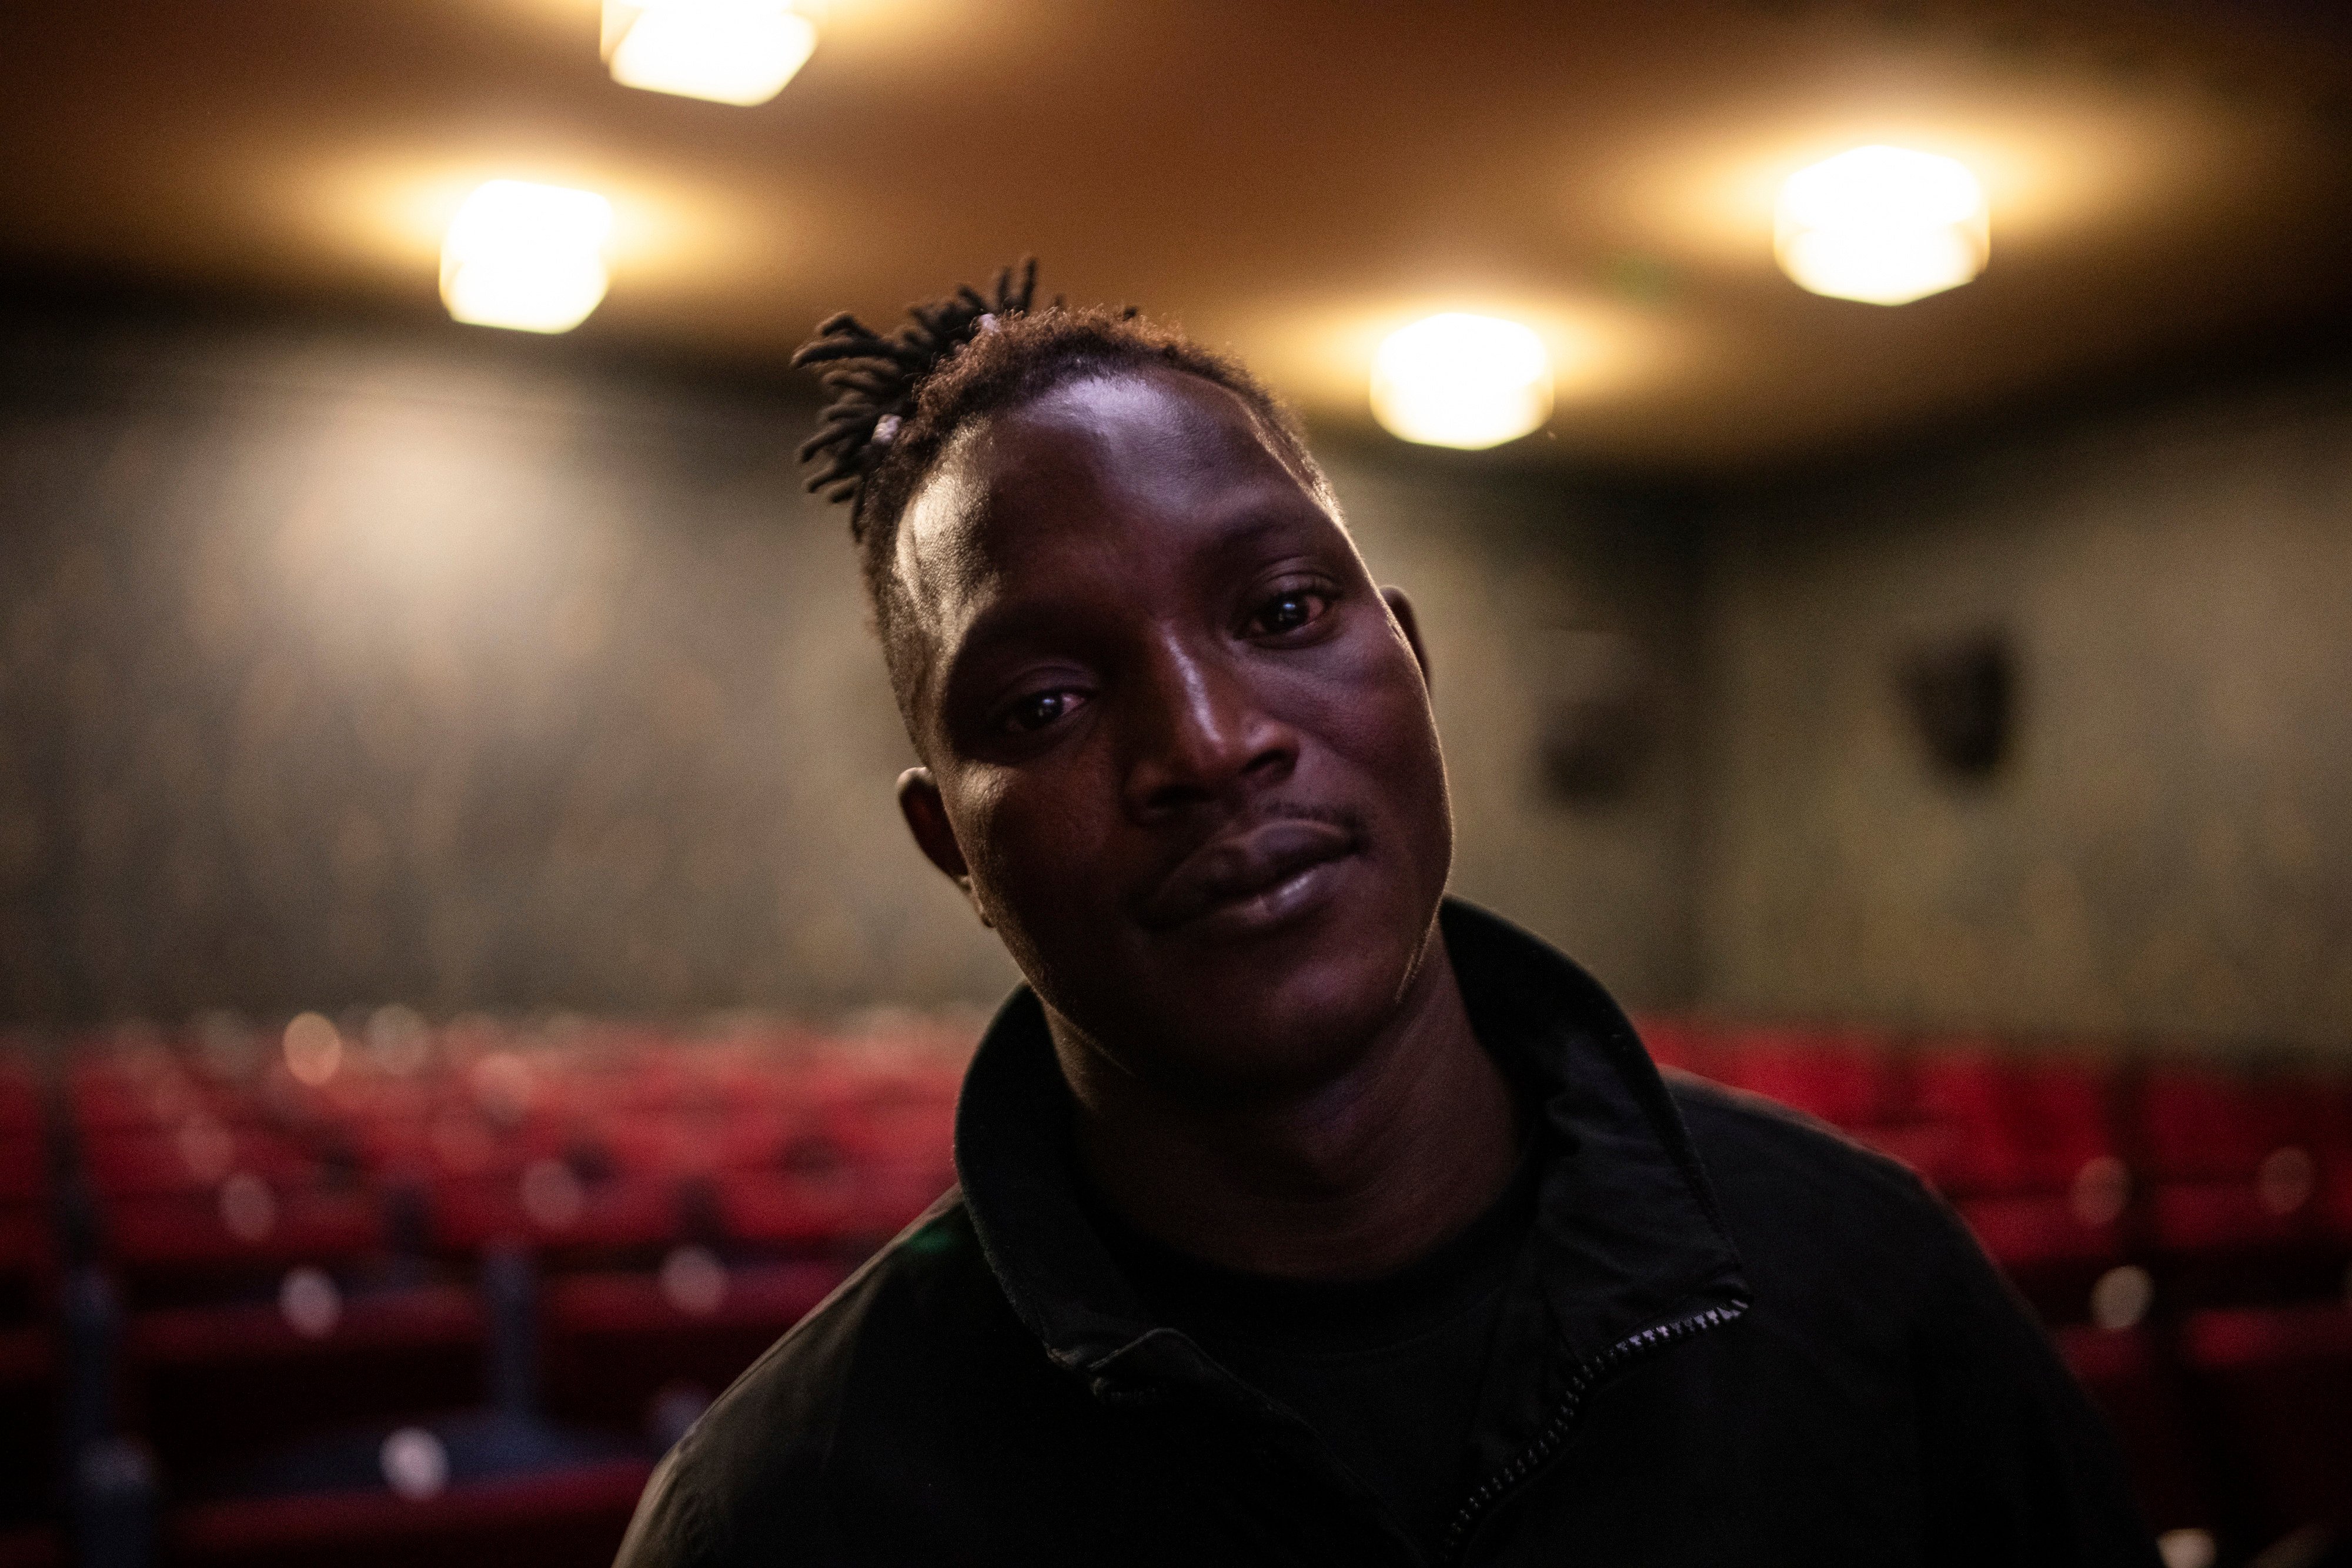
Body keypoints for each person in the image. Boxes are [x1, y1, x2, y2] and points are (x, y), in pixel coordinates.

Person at [614, 263, 2157, 1566]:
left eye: (1281, 611)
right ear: (950, 842)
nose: (1209, 742)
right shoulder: (786, 1515)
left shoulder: (1870, 1289)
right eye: (1045, 697)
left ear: (1410, 663)